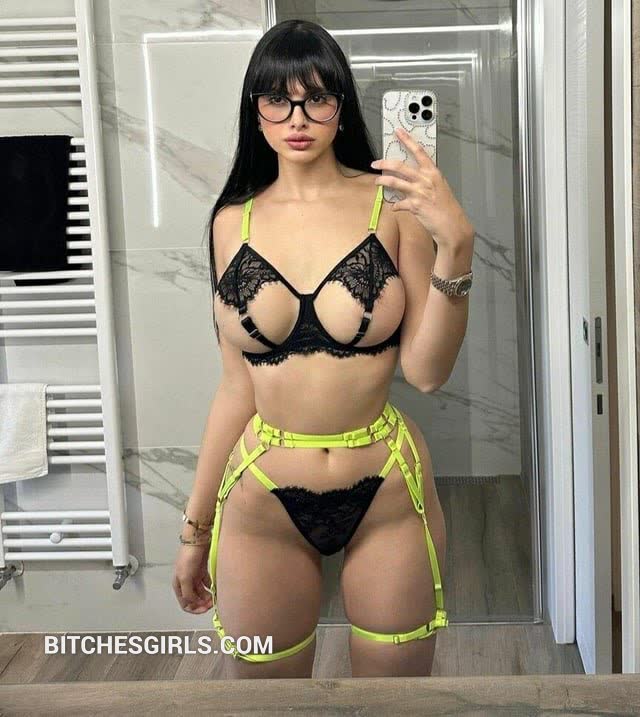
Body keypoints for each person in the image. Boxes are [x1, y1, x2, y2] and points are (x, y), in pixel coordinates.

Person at [172, 18, 475, 680]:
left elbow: (427, 372)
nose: (297, 118)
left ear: (342, 104)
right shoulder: (232, 222)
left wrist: (456, 245)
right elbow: (236, 388)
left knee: (393, 703)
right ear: (254, 109)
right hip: (262, 497)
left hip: (386, 487)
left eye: (317, 98)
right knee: (271, 702)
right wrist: (195, 530)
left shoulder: (391, 209)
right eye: (277, 99)